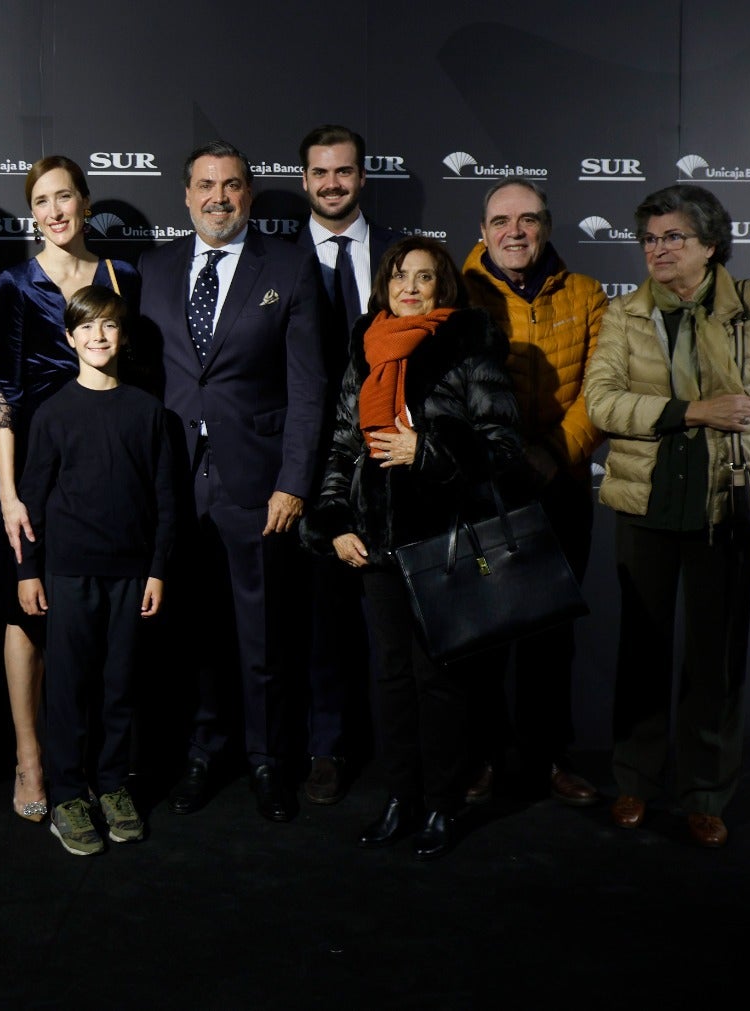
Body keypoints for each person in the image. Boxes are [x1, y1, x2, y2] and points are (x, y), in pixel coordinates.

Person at [584, 184, 750, 848]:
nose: (657, 250)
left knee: (714, 657)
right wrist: (694, 411)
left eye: (672, 238)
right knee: (642, 650)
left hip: (728, 503)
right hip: (645, 503)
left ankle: (706, 790)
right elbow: (601, 403)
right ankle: (635, 779)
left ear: (711, 245)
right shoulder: (625, 312)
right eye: (650, 238)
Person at [300, 236, 523, 860]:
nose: (411, 287)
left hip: (443, 540)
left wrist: (424, 451)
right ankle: (401, 797)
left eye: (424, 278)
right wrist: (335, 520)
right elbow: (344, 444)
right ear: (385, 284)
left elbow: (503, 447)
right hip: (374, 544)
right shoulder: (365, 343)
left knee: (440, 678)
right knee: (392, 676)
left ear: (442, 287)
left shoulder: (467, 346)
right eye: (400, 276)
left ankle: (442, 806)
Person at [138, 141, 325, 823]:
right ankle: (201, 752)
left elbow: (310, 391)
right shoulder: (152, 270)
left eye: (233, 186)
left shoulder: (291, 268)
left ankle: (269, 759)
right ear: (185, 195)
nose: (219, 197)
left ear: (249, 195)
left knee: (264, 633)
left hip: (259, 483)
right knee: (192, 633)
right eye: (206, 185)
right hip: (173, 484)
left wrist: (294, 481)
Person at [0, 155, 140, 822]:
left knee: (94, 624)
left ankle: (95, 770)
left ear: (84, 202)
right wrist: (8, 492)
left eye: (64, 197)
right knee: (29, 613)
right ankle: (31, 760)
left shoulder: (119, 276)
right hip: (33, 463)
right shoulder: (14, 282)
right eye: (41, 201)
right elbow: (5, 396)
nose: (53, 211)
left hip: (102, 461)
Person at [15, 286, 176, 855]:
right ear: (70, 338)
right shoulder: (54, 413)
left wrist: (157, 570)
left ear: (123, 335)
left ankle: (111, 786)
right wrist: (28, 572)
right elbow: (31, 503)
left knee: (118, 687)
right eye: (87, 327)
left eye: (109, 326)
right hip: (67, 573)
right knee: (67, 689)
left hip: (130, 575)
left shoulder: (149, 412)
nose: (98, 336)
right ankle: (67, 796)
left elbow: (165, 500)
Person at [461, 177, 605, 807]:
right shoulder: (456, 293)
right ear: (483, 231)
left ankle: (548, 758)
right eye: (499, 221)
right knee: (481, 638)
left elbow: (602, 390)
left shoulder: (588, 294)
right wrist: (490, 460)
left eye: (526, 220)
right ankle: (483, 758)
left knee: (551, 636)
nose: (512, 232)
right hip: (478, 490)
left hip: (559, 485)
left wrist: (551, 454)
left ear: (546, 226)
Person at [294, 124, 405, 805]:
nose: (332, 183)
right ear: (305, 180)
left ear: (362, 177)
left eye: (344, 171)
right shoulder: (275, 261)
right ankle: (326, 746)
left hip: (392, 467)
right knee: (322, 620)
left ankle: (399, 749)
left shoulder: (402, 257)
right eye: (320, 173)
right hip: (309, 468)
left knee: (396, 621)